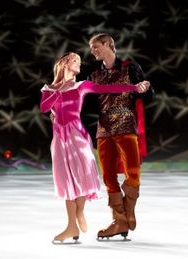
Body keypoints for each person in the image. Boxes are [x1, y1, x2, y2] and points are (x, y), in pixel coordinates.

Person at [40, 52, 147, 243]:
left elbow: (109, 88)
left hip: (77, 137)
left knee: (80, 178)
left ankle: (79, 211)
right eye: (76, 61)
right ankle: (71, 225)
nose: (80, 65)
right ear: (65, 63)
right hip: (59, 139)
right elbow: (44, 108)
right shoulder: (49, 89)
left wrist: (134, 87)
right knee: (67, 181)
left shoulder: (81, 86)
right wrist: (57, 89)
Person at [88, 33, 153, 239]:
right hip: (104, 129)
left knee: (133, 171)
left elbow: (146, 94)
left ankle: (128, 209)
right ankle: (119, 221)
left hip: (125, 125)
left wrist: (143, 89)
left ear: (107, 44)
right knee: (108, 176)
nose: (93, 51)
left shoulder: (130, 67)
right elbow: (85, 101)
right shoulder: (93, 75)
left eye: (96, 46)